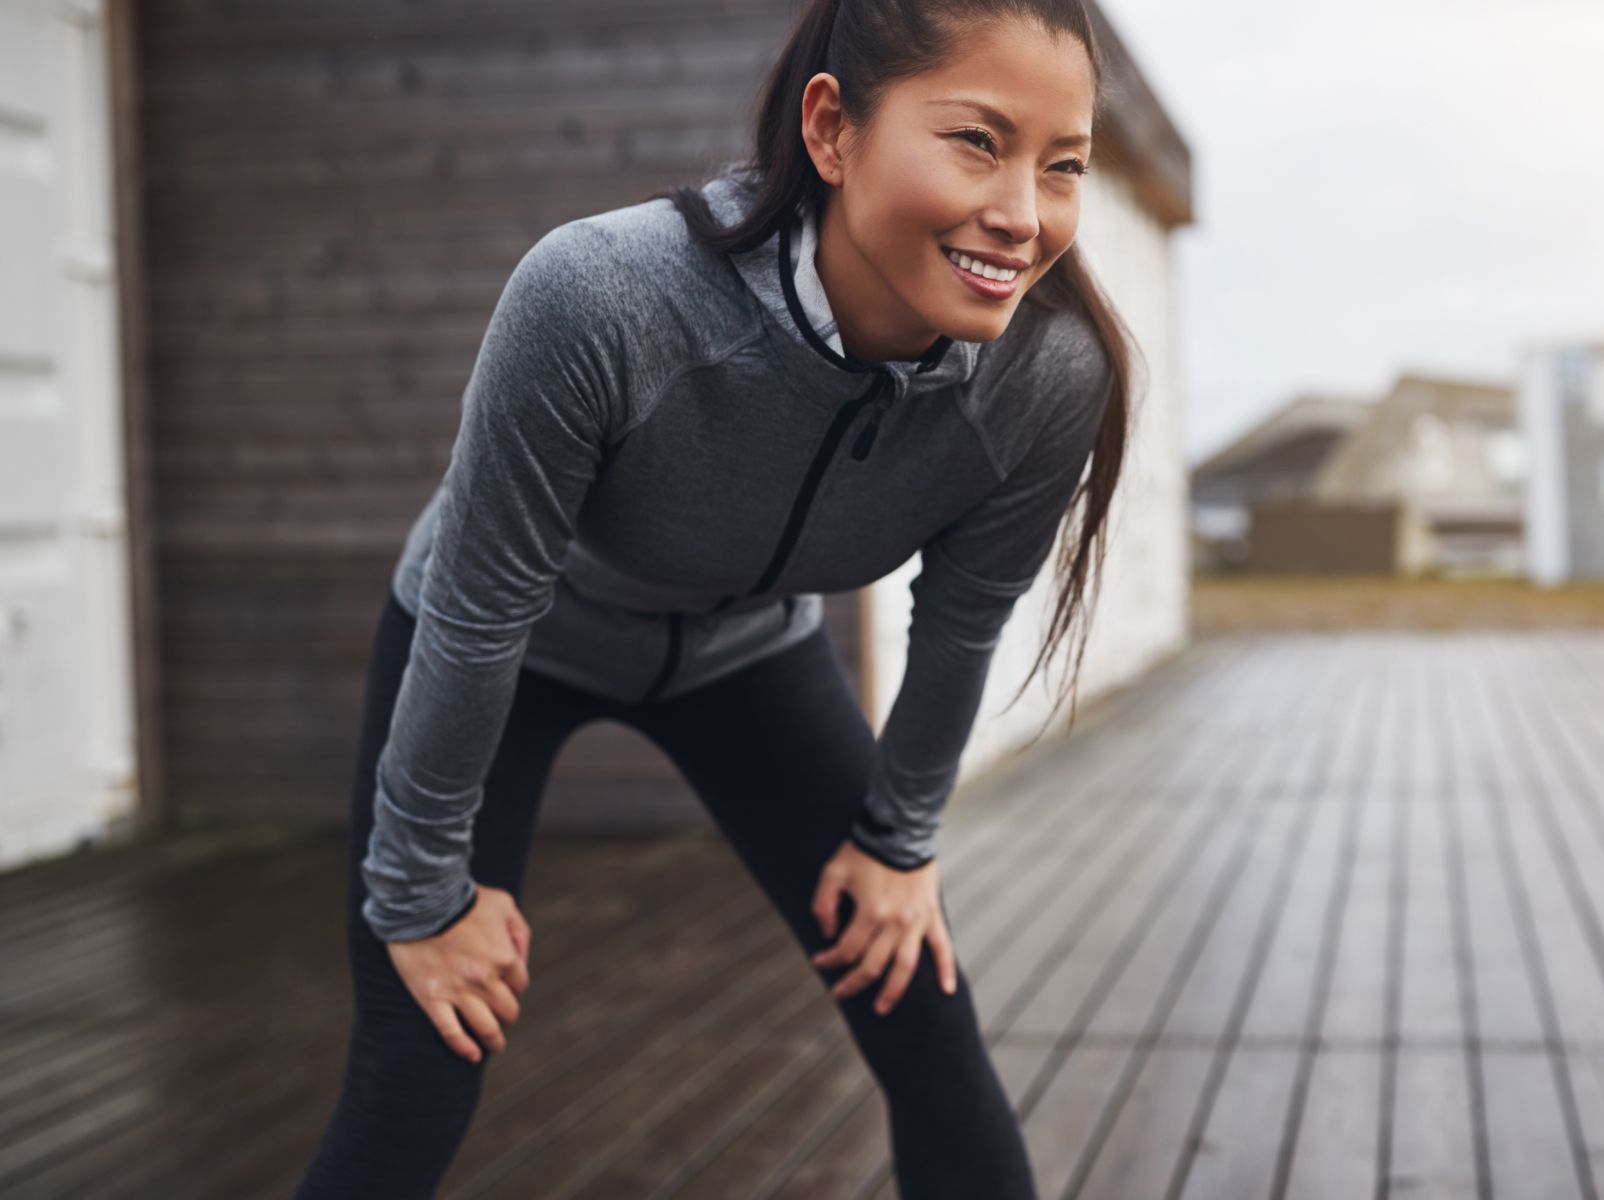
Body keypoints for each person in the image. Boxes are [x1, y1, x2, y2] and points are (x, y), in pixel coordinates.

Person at [291, 0, 1139, 1195]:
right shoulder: (602, 296)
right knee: (425, 1052)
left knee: (923, 1015)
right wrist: (422, 894)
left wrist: (898, 846)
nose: (1021, 212)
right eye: (974, 140)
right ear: (833, 130)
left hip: (749, 655)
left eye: (1063, 167)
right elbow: (480, 616)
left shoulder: (1047, 376)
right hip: (509, 644)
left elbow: (959, 624)